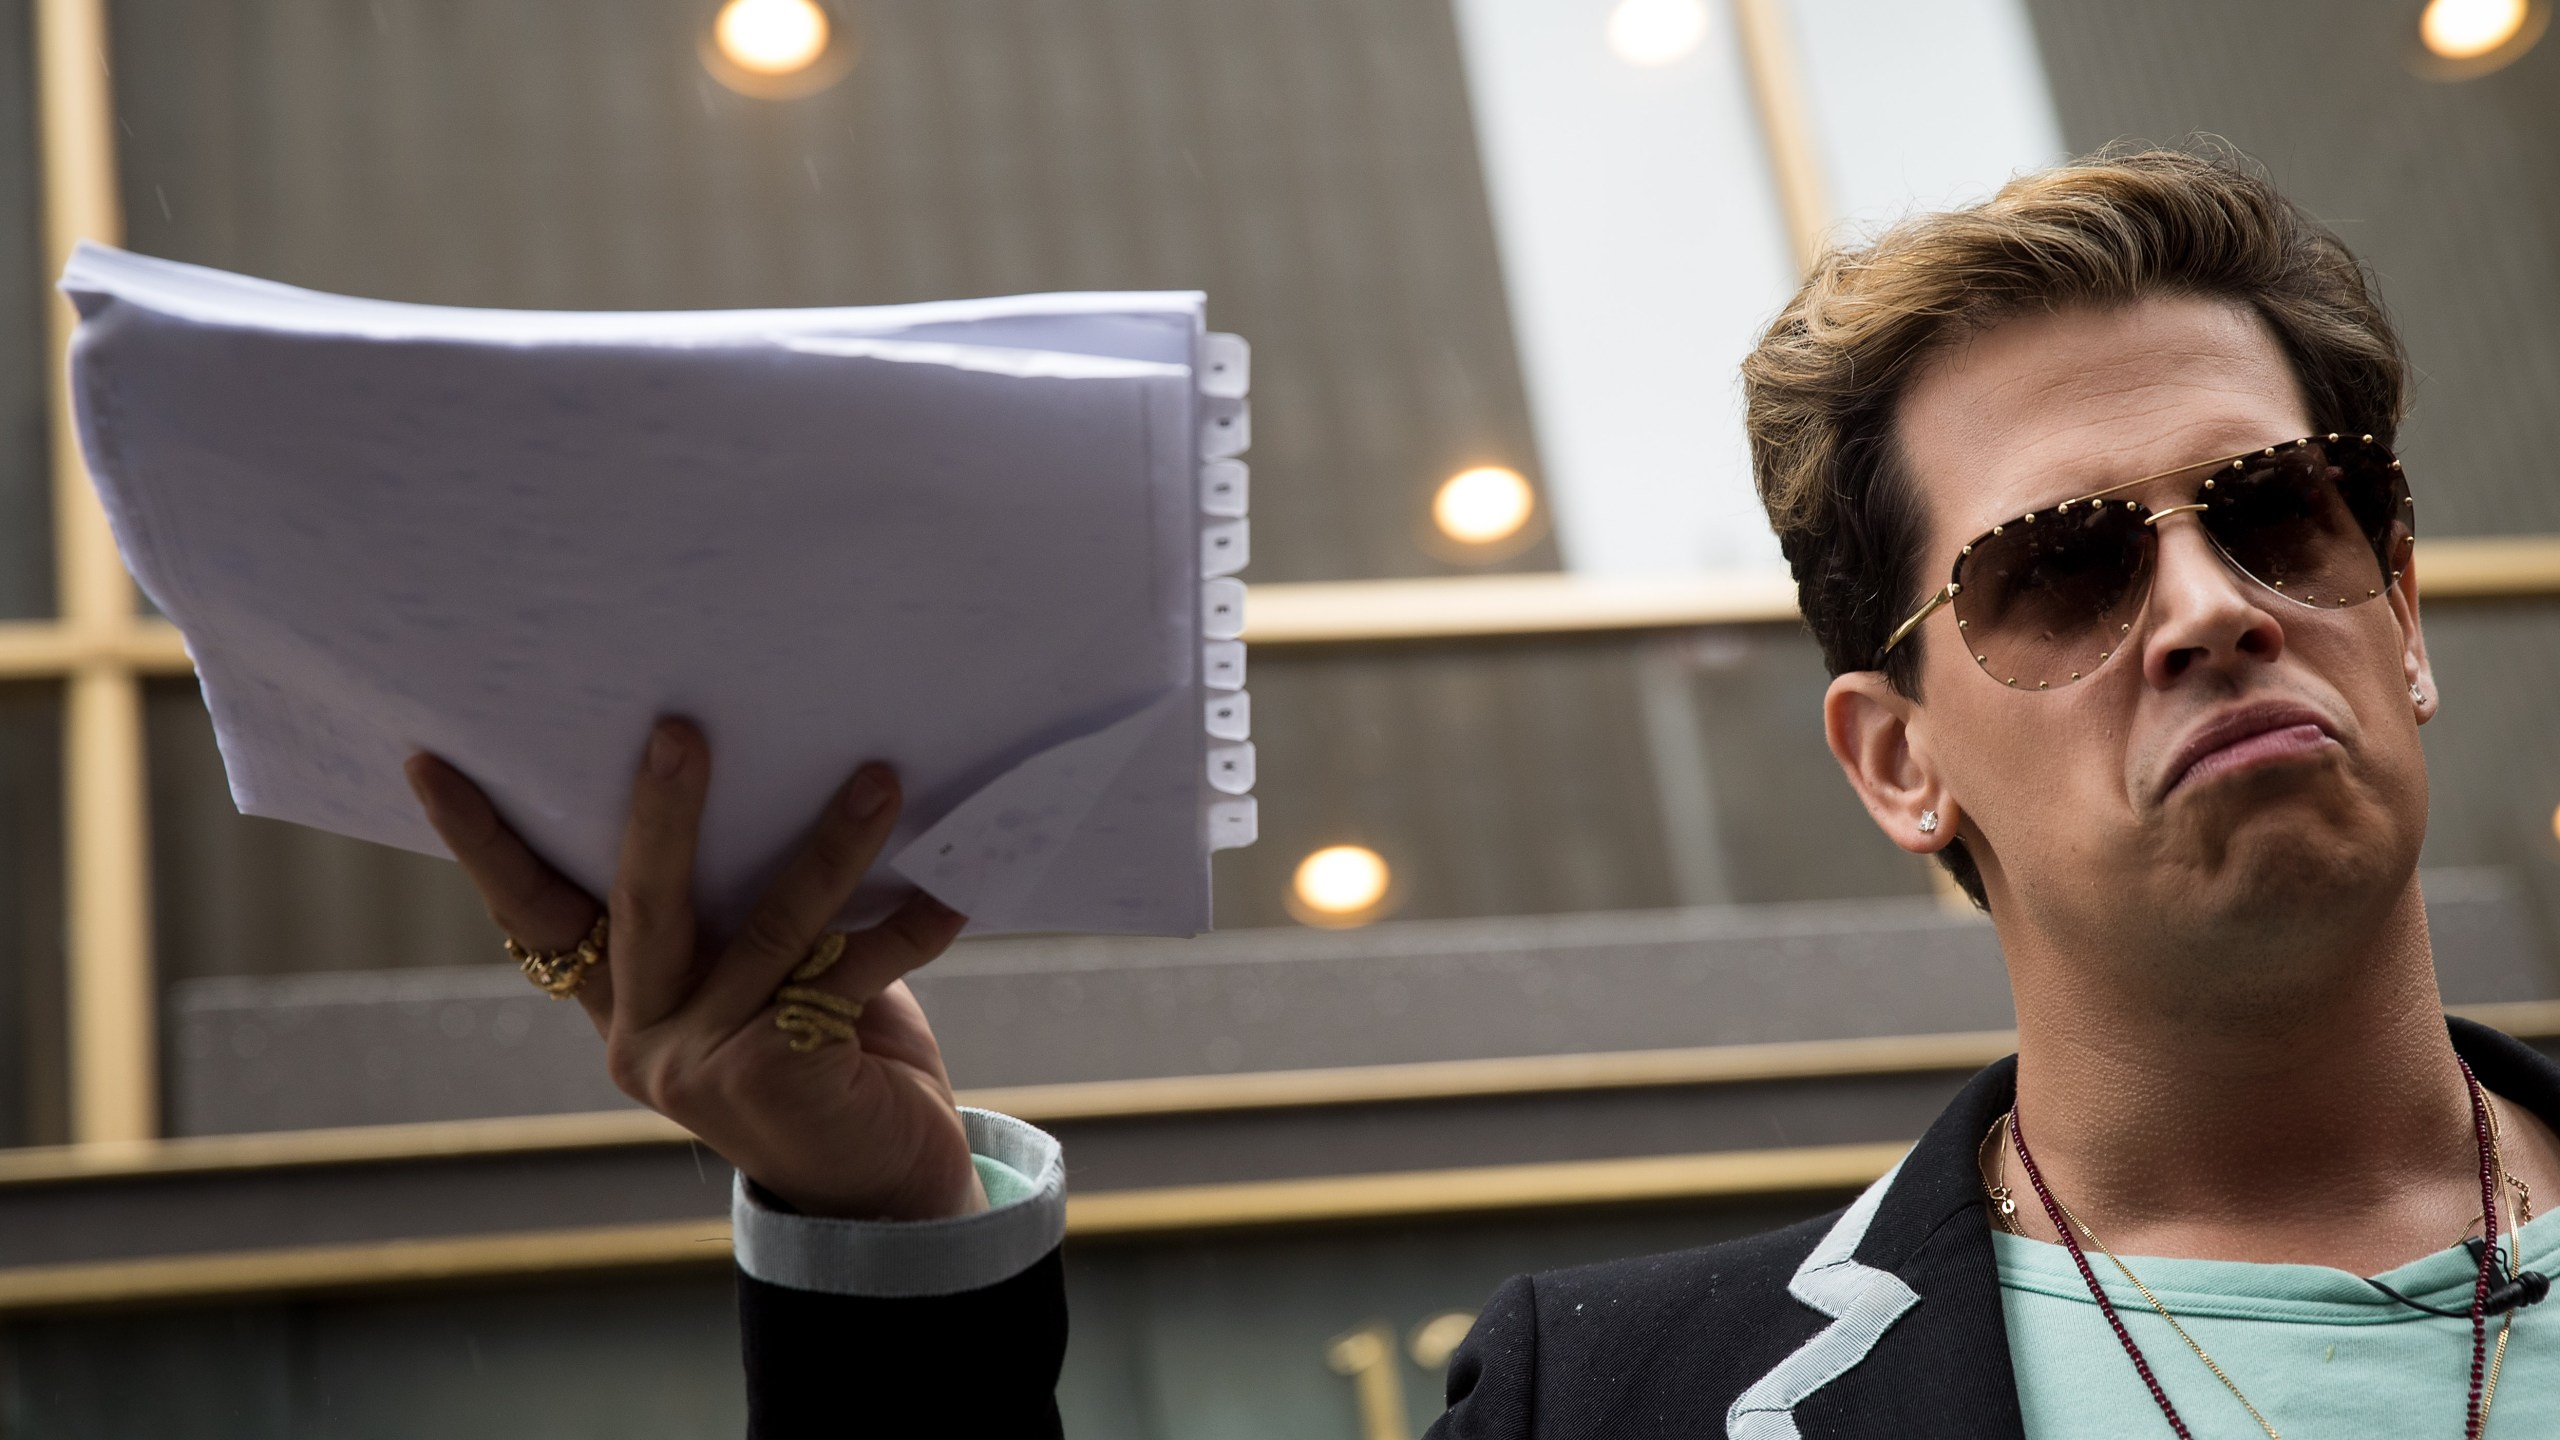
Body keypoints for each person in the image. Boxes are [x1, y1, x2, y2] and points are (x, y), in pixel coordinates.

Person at [405, 148, 2560, 1437]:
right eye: (2064, 567)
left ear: (2395, 603)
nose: (2203, 606)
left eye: (2276, 515)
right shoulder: (1602, 1406)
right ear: (1894, 762)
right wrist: (880, 1240)